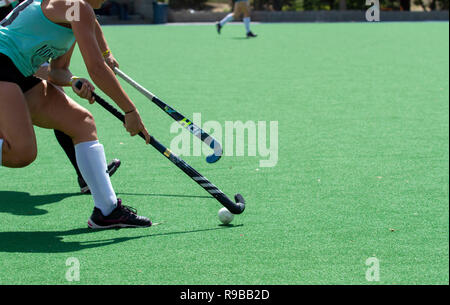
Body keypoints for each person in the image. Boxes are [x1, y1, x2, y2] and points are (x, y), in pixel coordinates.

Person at [0, 0, 152, 229]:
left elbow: (56, 71)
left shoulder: (74, 13)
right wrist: (130, 110)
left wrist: (73, 81)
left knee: (81, 122)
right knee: (22, 153)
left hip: (20, 71)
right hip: (3, 65)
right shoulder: (77, 7)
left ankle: (107, 210)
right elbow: (97, 68)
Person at [1, 0, 121, 195]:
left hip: (25, 53)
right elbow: (82, 12)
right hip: (13, 49)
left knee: (71, 114)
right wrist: (130, 111)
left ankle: (92, 184)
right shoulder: (72, 8)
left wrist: (105, 52)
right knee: (22, 148)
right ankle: (85, 174)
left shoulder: (76, 12)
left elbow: (86, 17)